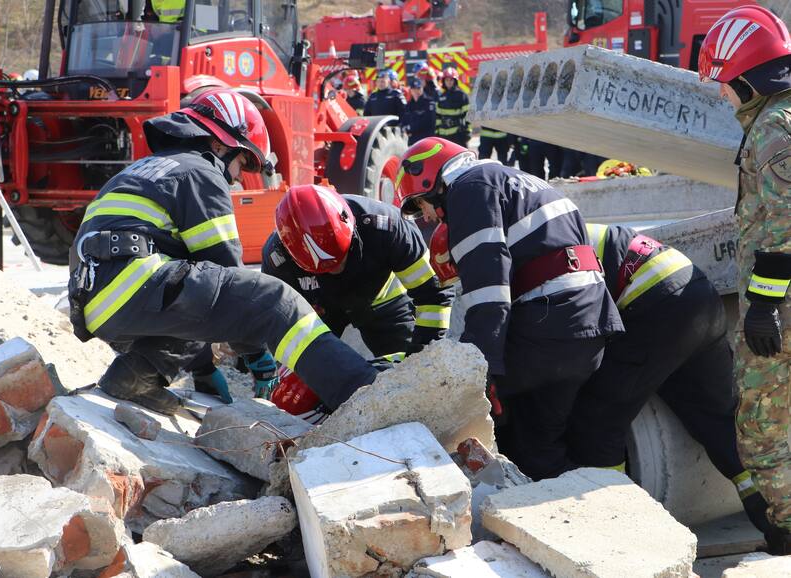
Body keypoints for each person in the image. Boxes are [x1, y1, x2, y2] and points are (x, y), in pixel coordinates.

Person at [67, 88, 378, 415]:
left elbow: (205, 297)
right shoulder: (199, 171)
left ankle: (133, 379)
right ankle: (362, 394)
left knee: (198, 289)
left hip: (97, 300)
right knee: (275, 300)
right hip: (132, 283)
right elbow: (227, 269)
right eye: (241, 162)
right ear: (219, 144)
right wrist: (257, 355)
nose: (237, 177)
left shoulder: (143, 170)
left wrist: (202, 369)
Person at [395, 137, 624, 480]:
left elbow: (488, 294)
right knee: (539, 444)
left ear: (431, 180)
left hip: (549, 327)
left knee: (478, 419)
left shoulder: (470, 189)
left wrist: (478, 369)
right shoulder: (517, 179)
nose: (427, 216)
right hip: (587, 327)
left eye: (422, 204)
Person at [564, 223, 771, 534]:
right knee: (718, 419)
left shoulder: (542, 253)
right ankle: (778, 519)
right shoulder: (566, 230)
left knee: (597, 422)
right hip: (697, 293)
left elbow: (575, 333)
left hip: (656, 304)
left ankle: (616, 530)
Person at [699, 5, 791, 553]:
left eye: (723, 83)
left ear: (746, 76)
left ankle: (784, 527)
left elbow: (782, 226)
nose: (720, 95)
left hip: (779, 308)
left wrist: (761, 304)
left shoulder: (775, 130)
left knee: (762, 425)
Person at [262, 184, 454, 358]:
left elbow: (433, 294)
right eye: (324, 269)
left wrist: (426, 352)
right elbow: (278, 325)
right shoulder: (278, 260)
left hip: (380, 301)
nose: (337, 271)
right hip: (319, 312)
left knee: (410, 369)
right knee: (307, 381)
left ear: (350, 225)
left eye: (341, 259)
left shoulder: (388, 228)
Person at [436, 68, 471, 147]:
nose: (449, 82)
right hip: (444, 136)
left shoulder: (461, 95)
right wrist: (437, 132)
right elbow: (438, 117)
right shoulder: (441, 97)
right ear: (444, 81)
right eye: (447, 80)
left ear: (455, 81)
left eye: (451, 80)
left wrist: (468, 131)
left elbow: (468, 115)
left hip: (458, 135)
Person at [402, 78, 436, 145]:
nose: (416, 91)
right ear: (411, 90)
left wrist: (410, 128)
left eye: (418, 89)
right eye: (414, 89)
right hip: (412, 140)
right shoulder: (409, 105)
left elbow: (428, 122)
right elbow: (404, 119)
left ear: (422, 89)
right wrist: (404, 128)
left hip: (426, 140)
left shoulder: (429, 102)